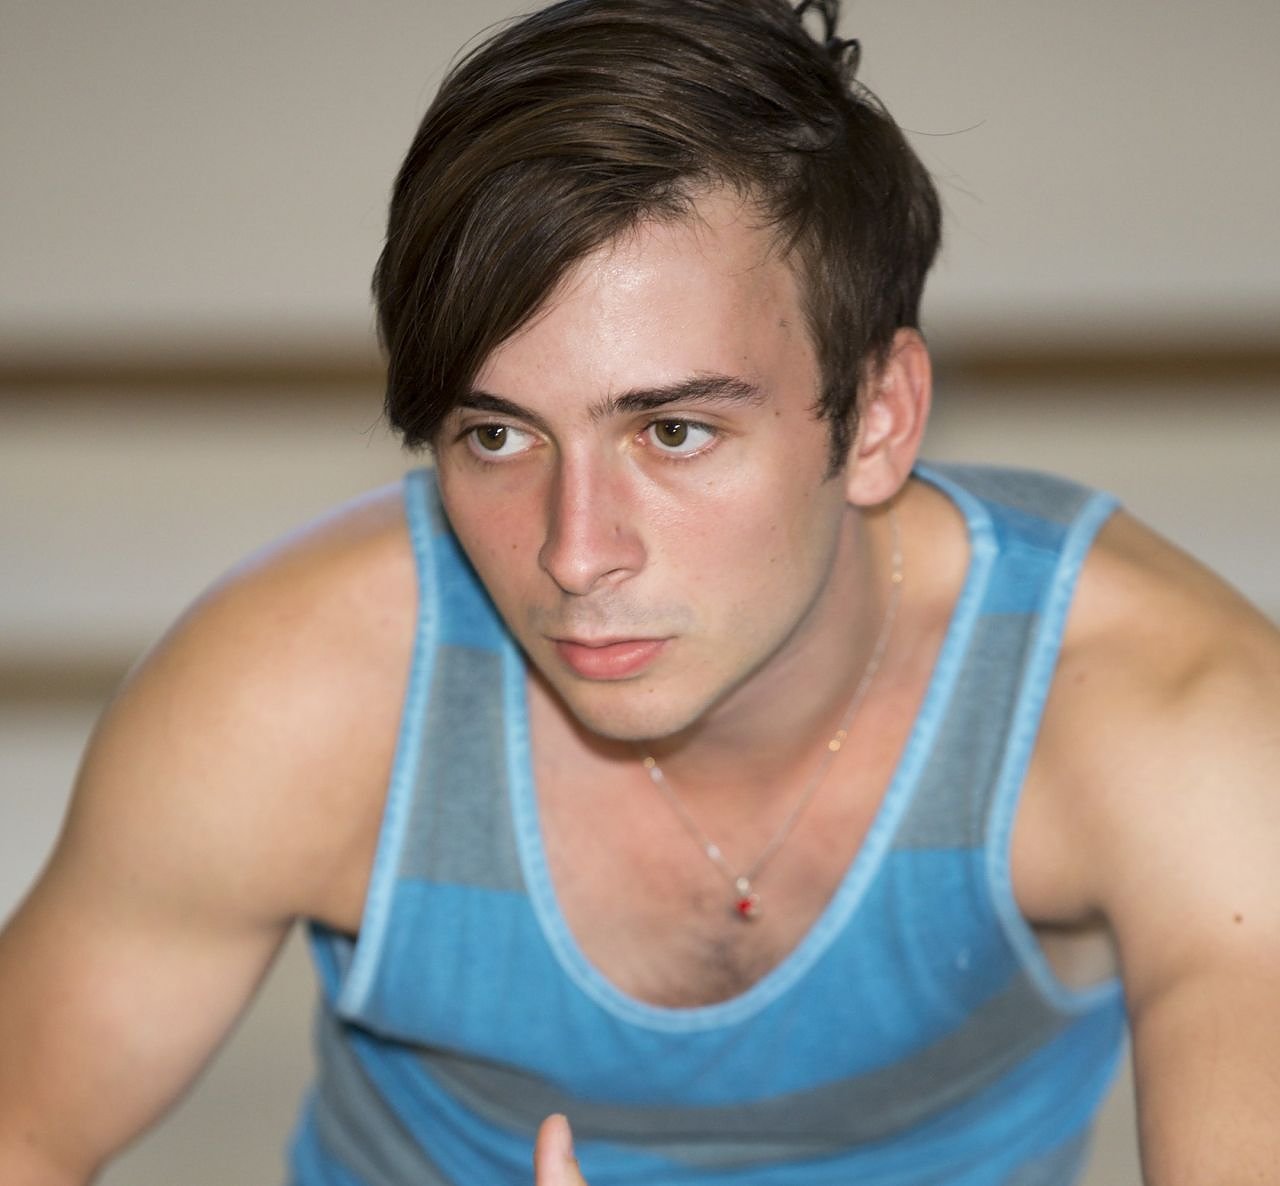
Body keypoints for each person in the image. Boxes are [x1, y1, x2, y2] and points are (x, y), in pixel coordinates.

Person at [1, 0, 1277, 1182]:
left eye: (671, 431)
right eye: (497, 434)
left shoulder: (1159, 713)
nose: (574, 552)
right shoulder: (299, 689)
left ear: (878, 418)